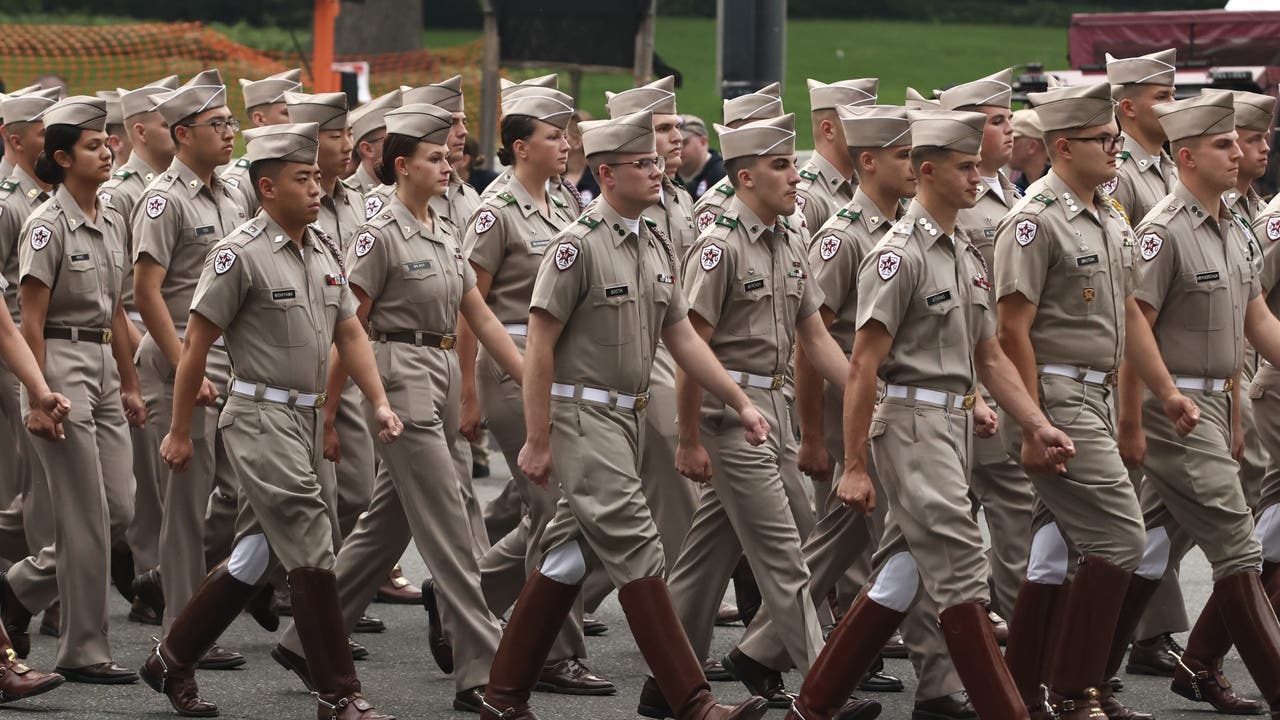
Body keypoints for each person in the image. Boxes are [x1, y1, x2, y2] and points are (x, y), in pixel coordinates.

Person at [784, 108, 1075, 720]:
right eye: (965, 167)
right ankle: (1007, 710)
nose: (977, 178)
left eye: (977, 166)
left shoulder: (964, 251)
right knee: (963, 566)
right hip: (913, 426)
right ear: (927, 171)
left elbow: (988, 354)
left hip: (955, 424)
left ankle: (810, 707)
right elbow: (864, 366)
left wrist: (1034, 421)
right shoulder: (899, 255)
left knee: (901, 571)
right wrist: (855, 464)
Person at [480, 108, 770, 720]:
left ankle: (502, 696)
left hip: (630, 418)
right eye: (642, 164)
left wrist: (738, 399)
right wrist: (537, 437)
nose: (657, 170)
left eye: (658, 161)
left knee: (564, 555)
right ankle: (691, 702)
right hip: (582, 418)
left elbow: (684, 337)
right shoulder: (575, 247)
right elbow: (539, 346)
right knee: (639, 547)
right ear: (607, 174)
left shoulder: (654, 242)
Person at [142, 121, 402, 720]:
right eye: (302, 178)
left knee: (254, 555)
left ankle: (172, 658)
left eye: (317, 177)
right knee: (312, 537)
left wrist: (378, 400)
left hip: (307, 420)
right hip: (258, 417)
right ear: (266, 188)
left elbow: (349, 332)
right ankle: (339, 694)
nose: (316, 189)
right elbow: (196, 348)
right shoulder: (238, 255)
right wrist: (181, 431)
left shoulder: (324, 249)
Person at [271, 102, 520, 714]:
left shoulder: (440, 224)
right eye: (435, 157)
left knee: (388, 524)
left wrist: (527, 376)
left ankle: (306, 639)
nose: (448, 164)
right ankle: (479, 670)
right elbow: (346, 325)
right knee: (451, 525)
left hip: (435, 369)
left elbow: (478, 314)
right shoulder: (378, 230)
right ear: (401, 165)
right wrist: (328, 414)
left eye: (449, 155)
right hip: (396, 374)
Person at [735, 104, 972, 720]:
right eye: (901, 156)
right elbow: (811, 342)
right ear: (871, 162)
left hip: (889, 407)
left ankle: (766, 650)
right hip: (861, 407)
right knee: (913, 540)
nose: (911, 165)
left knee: (875, 540)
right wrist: (814, 436)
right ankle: (940, 682)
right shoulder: (845, 236)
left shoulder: (909, 229)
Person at [645, 112, 865, 718]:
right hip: (728, 416)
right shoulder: (719, 248)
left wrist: (869, 393)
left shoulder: (788, 238)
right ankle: (822, 694)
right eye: (780, 166)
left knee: (702, 560)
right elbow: (692, 350)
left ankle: (667, 685)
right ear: (745, 177)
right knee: (785, 558)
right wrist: (688, 437)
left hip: (772, 410)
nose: (796, 177)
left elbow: (816, 338)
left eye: (794, 163)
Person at [994, 81, 1192, 720]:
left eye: (1114, 138)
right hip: (1056, 397)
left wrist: (1162, 390)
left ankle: (1026, 692)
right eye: (1101, 141)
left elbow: (1132, 316)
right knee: (1120, 538)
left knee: (1055, 548)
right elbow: (1011, 330)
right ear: (1060, 147)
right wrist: (1033, 422)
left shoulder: (1109, 213)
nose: (1115, 149)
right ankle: (1075, 689)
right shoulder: (1033, 221)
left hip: (1098, 396)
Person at [1117, 90, 1280, 717]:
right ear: (1186, 156)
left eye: (1237, 142)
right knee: (1239, 544)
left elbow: (1255, 319)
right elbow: (1136, 331)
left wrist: (1236, 413)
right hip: (1174, 407)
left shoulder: (1232, 225)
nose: (1239, 152)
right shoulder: (1161, 233)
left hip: (1216, 405)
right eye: (1223, 144)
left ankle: (1082, 680)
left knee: (1148, 543)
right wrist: (1138, 416)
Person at [460, 83, 614, 695]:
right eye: (555, 136)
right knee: (555, 511)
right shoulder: (495, 210)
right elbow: (467, 303)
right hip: (508, 367)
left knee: (553, 512)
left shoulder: (562, 200)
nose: (567, 144)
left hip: (557, 367)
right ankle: (552, 652)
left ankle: (464, 601)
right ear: (521, 147)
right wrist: (469, 395)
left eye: (568, 134)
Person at [4, 95, 147, 683]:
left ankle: (16, 592)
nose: (108, 150)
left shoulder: (112, 217)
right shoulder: (45, 225)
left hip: (105, 366)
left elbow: (115, 308)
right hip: (58, 365)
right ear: (61, 157)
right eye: (93, 146)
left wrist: (133, 381)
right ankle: (84, 648)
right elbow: (29, 320)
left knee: (120, 507)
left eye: (107, 142)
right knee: (85, 517)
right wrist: (38, 396)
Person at [130, 70, 250, 669]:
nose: (230, 132)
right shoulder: (164, 198)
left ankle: (180, 591)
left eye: (231, 122)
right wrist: (185, 369)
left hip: (234, 357)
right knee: (186, 505)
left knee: (242, 490)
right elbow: (146, 292)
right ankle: (183, 630)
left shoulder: (234, 192)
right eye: (218, 124)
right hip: (181, 352)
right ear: (181, 134)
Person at [938, 68, 1032, 631]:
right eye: (995, 121)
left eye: (1008, 118)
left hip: (996, 378)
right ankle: (1025, 638)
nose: (1009, 129)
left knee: (927, 535)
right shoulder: (956, 206)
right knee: (1012, 502)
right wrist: (977, 390)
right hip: (971, 380)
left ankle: (978, 619)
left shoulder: (1007, 195)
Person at [96, 74, 181, 628]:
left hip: (178, 336)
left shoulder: (181, 188)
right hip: (137, 337)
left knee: (166, 478)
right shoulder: (122, 192)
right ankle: (149, 573)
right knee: (146, 483)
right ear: (139, 128)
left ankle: (152, 567)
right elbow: (120, 294)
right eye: (164, 118)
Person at [1104, 49, 1177, 227]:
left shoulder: (1174, 169)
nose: (1174, 105)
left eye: (1173, 95)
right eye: (1162, 97)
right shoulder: (1118, 175)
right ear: (1129, 108)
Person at [795, 78, 877, 231]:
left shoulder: (863, 184)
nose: (871, 136)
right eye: (861, 125)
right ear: (828, 130)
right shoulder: (806, 197)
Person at [221, 69, 301, 215]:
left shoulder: (305, 171)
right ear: (260, 119)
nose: (298, 120)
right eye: (287, 113)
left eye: (300, 112)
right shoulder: (240, 181)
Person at [347, 89, 403, 195]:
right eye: (392, 139)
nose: (401, 143)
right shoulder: (347, 194)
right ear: (368, 149)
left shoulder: (408, 185)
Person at [677, 114, 723, 201]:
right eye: (674, 142)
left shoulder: (721, 175)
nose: (678, 148)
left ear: (703, 141)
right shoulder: (668, 176)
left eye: (684, 143)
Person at [1008, 108, 1048, 192]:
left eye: (1013, 140)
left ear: (1032, 146)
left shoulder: (1062, 183)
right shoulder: (1017, 188)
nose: (1008, 145)